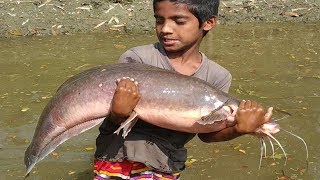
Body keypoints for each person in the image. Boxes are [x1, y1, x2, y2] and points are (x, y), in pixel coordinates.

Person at [94, 0, 273, 179]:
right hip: (115, 157)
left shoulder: (218, 75)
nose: (165, 29)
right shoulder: (138, 58)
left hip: (165, 164)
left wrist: (239, 129)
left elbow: (207, 136)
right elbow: (116, 116)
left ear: (208, 22)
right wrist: (119, 113)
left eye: (179, 21)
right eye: (159, 20)